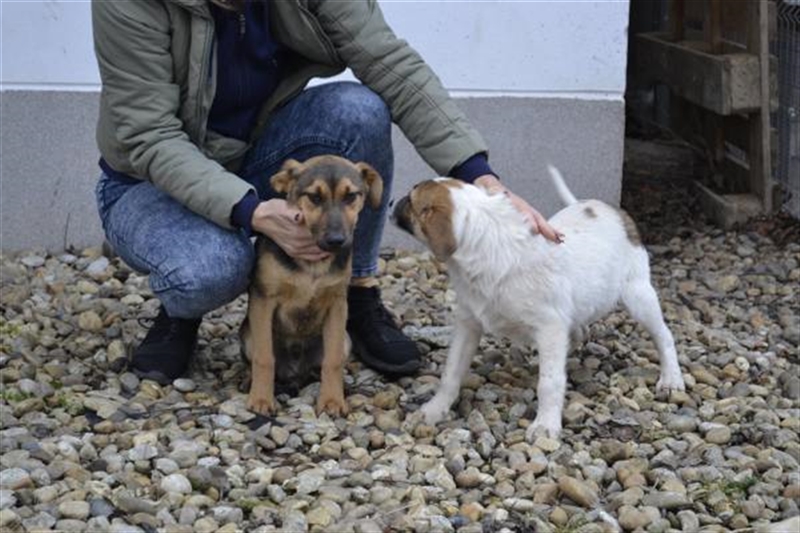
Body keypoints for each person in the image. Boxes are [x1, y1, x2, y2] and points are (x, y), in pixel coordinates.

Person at [91, 0, 561, 385]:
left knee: (359, 111)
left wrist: (482, 179)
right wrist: (252, 211)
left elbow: (390, 64)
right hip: (148, 181)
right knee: (210, 269)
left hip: (256, 151)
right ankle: (180, 313)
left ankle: (355, 292)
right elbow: (150, 136)